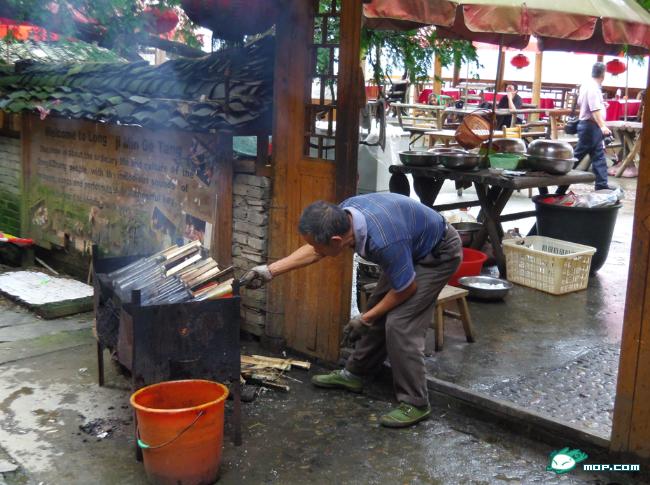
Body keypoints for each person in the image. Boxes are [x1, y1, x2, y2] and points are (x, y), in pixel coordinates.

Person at [241, 193, 462, 428]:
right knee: (378, 307)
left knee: (399, 324)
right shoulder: (344, 213)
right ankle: (355, 374)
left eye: (318, 245)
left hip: (436, 254)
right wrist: (270, 271)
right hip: (408, 247)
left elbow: (407, 288)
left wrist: (364, 318)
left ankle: (416, 402)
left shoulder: (384, 241)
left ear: (337, 240)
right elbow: (317, 250)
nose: (316, 249)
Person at [574, 62, 614, 191]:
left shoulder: (587, 85)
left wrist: (602, 105)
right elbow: (594, 109)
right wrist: (603, 126)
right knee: (577, 155)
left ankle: (602, 185)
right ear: (603, 74)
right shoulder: (593, 87)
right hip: (590, 126)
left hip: (590, 126)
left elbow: (583, 103)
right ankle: (559, 181)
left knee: (598, 156)